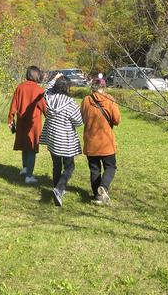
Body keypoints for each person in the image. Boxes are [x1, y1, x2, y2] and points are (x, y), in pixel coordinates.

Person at [40, 73, 83, 207]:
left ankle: (57, 189)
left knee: (56, 165)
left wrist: (54, 78)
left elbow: (46, 89)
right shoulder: (70, 104)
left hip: (52, 139)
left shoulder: (49, 98)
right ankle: (59, 189)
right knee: (70, 166)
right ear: (67, 88)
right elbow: (79, 122)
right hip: (65, 140)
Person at [81, 76, 121, 205]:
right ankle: (103, 187)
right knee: (110, 166)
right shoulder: (110, 100)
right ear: (104, 87)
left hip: (91, 141)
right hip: (106, 141)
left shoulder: (86, 100)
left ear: (92, 87)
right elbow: (117, 120)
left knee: (94, 169)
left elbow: (82, 117)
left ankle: (98, 196)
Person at [8, 66, 47, 183]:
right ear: (37, 75)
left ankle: (25, 168)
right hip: (33, 124)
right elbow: (44, 108)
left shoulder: (19, 88)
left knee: (24, 145)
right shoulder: (39, 90)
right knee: (32, 148)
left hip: (21, 122)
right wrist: (50, 117)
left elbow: (13, 106)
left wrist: (10, 119)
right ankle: (29, 176)